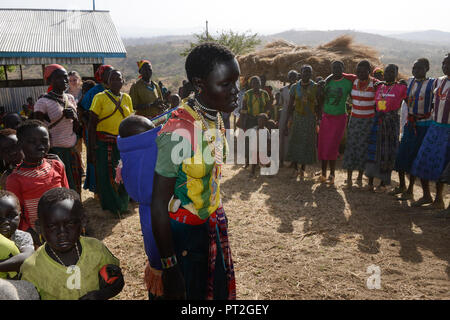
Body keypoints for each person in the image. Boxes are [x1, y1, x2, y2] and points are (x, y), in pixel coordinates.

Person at [151, 43, 237, 300]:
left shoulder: (214, 115)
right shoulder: (179, 131)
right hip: (183, 240)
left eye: (236, 81)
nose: (236, 91)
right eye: (226, 84)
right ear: (199, 84)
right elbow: (158, 203)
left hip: (209, 227)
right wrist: (170, 268)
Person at [20, 187, 124, 300]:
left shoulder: (97, 249)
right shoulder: (31, 268)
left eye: (70, 224)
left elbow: (118, 281)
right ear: (39, 227)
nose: (62, 233)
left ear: (83, 221)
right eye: (52, 226)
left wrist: (101, 295)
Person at [117, 115, 164, 299]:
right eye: (151, 132)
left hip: (150, 218)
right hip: (159, 219)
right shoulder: (148, 156)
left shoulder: (129, 157)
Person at [6, 120, 69, 246]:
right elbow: (17, 214)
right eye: (32, 142)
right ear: (19, 145)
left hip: (65, 231)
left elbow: (68, 197)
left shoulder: (57, 166)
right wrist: (34, 236)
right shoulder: (15, 179)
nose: (40, 146)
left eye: (44, 141)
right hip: (38, 237)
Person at [88, 70, 133, 215]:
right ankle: (113, 207)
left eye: (118, 79)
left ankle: (123, 204)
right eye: (112, 79)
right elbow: (91, 124)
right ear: (107, 82)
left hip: (123, 143)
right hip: (104, 143)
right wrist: (92, 147)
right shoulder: (99, 97)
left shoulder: (126, 98)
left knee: (124, 173)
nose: (116, 82)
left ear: (123, 81)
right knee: (107, 175)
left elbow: (129, 121)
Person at [390, 59, 435, 204]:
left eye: (419, 68)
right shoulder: (408, 82)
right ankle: (402, 186)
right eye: (414, 68)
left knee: (417, 157)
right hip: (410, 124)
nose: (416, 71)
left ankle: (411, 190)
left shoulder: (433, 84)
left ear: (427, 68)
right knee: (402, 154)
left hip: (424, 125)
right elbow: (393, 88)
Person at [33, 64, 82, 195]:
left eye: (65, 77)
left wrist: (75, 118)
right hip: (55, 152)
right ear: (49, 81)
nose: (64, 81)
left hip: (71, 150)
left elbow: (77, 128)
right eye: (59, 78)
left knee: (75, 184)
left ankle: (76, 210)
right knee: (59, 186)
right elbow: (38, 128)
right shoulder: (43, 102)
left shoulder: (70, 98)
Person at [410, 53, 450, 210]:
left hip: (448, 131)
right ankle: (427, 195)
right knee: (422, 161)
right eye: (443, 63)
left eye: (448, 63)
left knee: (443, 165)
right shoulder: (438, 81)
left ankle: (439, 200)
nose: (445, 66)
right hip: (434, 127)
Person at [365, 64, 407, 192]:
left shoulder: (401, 88)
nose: (389, 74)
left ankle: (383, 183)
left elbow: (409, 101)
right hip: (377, 121)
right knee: (373, 150)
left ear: (396, 74)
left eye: (392, 72)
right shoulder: (379, 86)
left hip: (391, 123)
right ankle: (370, 182)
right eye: (387, 72)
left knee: (386, 152)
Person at [342, 60, 378, 188]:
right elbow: (339, 73)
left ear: (369, 71)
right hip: (354, 120)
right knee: (351, 147)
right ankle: (349, 179)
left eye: (364, 71)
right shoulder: (354, 80)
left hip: (368, 121)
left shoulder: (375, 83)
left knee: (364, 148)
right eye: (358, 71)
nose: (360, 73)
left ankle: (359, 178)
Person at [318, 61, 353, 185]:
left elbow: (355, 97)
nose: (336, 69)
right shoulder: (327, 82)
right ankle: (323, 173)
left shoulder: (348, 83)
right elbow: (320, 98)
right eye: (334, 68)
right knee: (323, 144)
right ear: (331, 69)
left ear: (343, 68)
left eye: (339, 67)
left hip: (339, 118)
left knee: (333, 145)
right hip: (326, 116)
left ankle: (332, 174)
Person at [80, 65, 113, 195]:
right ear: (101, 76)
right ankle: (97, 190)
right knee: (96, 158)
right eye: (108, 73)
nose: (111, 76)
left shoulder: (115, 90)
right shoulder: (95, 91)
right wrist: (89, 124)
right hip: (96, 132)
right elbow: (81, 108)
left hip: (111, 132)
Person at [284, 65, 319, 179]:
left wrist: (319, 120)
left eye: (309, 72)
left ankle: (303, 169)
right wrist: (288, 119)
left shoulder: (315, 87)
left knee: (306, 142)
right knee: (295, 141)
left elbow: (319, 104)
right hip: (297, 118)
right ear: (301, 73)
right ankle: (295, 168)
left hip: (310, 118)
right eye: (304, 72)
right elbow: (290, 105)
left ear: (311, 74)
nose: (306, 74)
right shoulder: (294, 87)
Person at [0, 191, 34, 278]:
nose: (5, 222)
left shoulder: (22, 237)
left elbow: (27, 257)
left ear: (20, 215)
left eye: (11, 215)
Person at [279, 70, 298, 166]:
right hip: (285, 113)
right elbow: (281, 104)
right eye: (291, 77)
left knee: (293, 137)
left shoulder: (299, 89)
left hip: (296, 114)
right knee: (282, 135)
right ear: (288, 78)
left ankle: (292, 161)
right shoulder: (283, 90)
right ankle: (281, 159)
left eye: (294, 77)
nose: (292, 79)